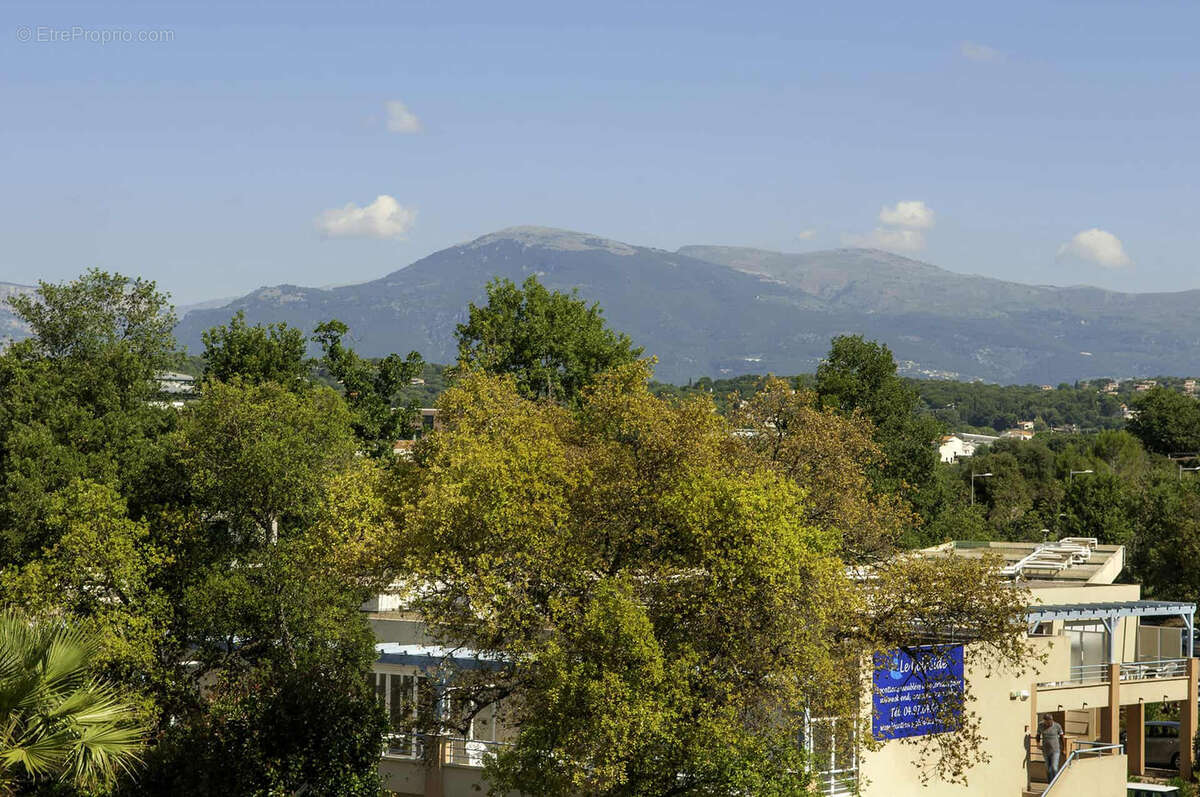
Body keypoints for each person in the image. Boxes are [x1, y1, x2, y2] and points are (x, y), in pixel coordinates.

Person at [1038, 713, 1065, 781]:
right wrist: (1038, 744)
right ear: (1045, 721)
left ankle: (1055, 782)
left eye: (1050, 721)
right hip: (1045, 750)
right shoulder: (1041, 725)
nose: (1049, 723)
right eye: (1047, 722)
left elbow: (1062, 737)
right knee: (1048, 768)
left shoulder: (1057, 726)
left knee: (1054, 767)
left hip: (1055, 750)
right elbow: (1038, 735)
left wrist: (1064, 748)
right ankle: (1050, 783)